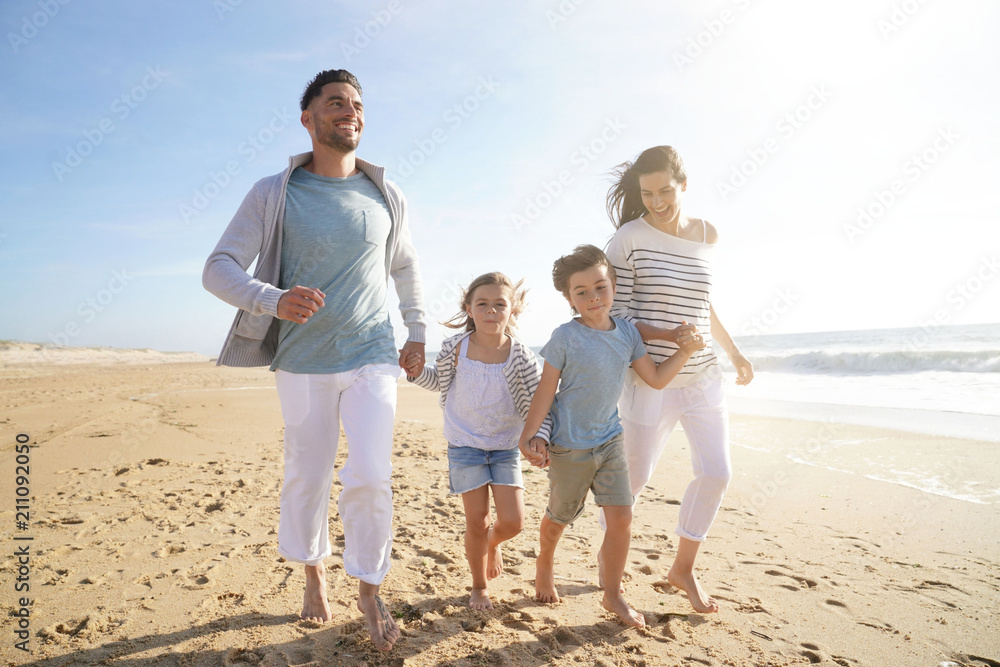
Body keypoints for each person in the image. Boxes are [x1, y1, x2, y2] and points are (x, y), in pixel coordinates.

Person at [202, 69, 426, 652]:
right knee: (308, 474)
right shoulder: (274, 192)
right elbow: (218, 266)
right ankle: (312, 571)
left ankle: (371, 589)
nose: (348, 111)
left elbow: (404, 267)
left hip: (373, 353)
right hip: (303, 361)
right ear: (308, 118)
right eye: (335, 103)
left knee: (373, 474)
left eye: (356, 104)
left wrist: (418, 327)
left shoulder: (386, 194)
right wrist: (272, 299)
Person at [518, 245, 705, 628]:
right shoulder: (564, 337)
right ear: (569, 298)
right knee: (559, 518)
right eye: (581, 291)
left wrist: (683, 353)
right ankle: (546, 560)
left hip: (609, 440)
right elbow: (545, 392)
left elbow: (653, 379)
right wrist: (530, 435)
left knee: (622, 519)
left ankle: (613, 593)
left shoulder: (627, 334)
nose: (593, 298)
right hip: (570, 446)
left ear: (614, 287)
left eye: (600, 287)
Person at [602, 145, 754, 614]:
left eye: (665, 190)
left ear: (683, 184)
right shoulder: (627, 238)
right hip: (651, 379)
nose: (657, 201)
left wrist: (733, 352)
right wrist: (668, 335)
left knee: (716, 473)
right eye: (647, 193)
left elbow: (702, 304)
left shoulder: (708, 234)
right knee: (631, 486)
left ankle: (682, 568)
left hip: (703, 375)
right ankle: (608, 573)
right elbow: (618, 314)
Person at [405, 272, 551, 611]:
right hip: (465, 443)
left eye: (500, 305)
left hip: (504, 447)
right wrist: (414, 372)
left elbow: (538, 403)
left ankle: (490, 543)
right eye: (482, 304)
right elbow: (437, 382)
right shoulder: (455, 349)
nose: (491, 311)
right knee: (477, 520)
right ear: (468, 309)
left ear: (512, 311)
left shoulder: (521, 357)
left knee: (513, 521)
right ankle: (479, 587)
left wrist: (539, 438)